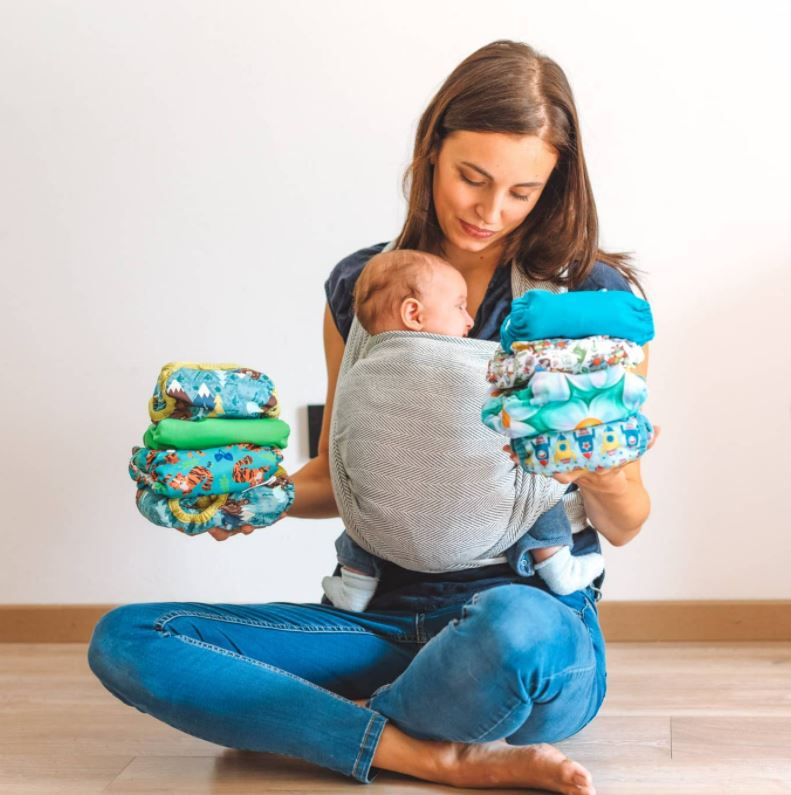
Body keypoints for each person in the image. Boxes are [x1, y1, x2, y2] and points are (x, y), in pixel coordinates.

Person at [88, 40, 655, 795]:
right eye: (471, 178)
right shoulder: (364, 287)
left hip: (521, 611)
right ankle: (422, 750)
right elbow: (339, 473)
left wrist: (599, 465)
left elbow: (625, 519)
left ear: (552, 188)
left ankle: (325, 731)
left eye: (521, 192)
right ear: (430, 155)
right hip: (377, 618)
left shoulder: (591, 300)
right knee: (128, 639)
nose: (490, 211)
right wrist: (253, 498)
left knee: (522, 635)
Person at [322, 248, 606, 612]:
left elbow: (342, 456)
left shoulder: (361, 373)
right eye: (459, 306)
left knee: (368, 505)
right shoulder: (479, 365)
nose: (470, 320)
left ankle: (356, 580)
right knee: (537, 487)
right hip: (494, 523)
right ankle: (555, 562)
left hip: (388, 536)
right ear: (414, 313)